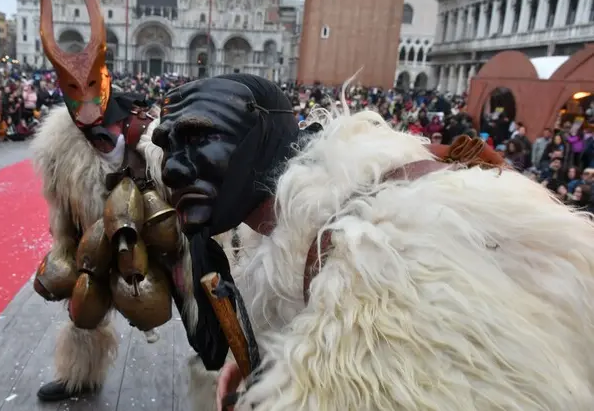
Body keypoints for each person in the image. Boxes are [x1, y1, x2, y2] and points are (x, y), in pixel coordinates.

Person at [152, 74, 594, 410]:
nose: (172, 169)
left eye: (198, 139)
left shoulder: (391, 257)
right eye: (167, 146)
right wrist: (266, 357)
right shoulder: (314, 228)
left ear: (262, 139)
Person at [27, 0, 241, 403]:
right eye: (73, 93)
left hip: (160, 232)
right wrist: (65, 247)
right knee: (84, 304)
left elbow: (183, 182)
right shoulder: (59, 144)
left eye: (90, 89)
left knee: (201, 311)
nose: (85, 107)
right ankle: (79, 374)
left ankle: (219, 383)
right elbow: (62, 210)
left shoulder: (148, 129)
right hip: (100, 236)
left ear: (104, 82)